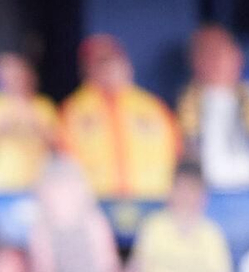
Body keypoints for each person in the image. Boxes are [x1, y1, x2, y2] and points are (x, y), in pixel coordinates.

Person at [58, 34, 179, 203]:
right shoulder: (73, 111)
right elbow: (63, 162)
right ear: (86, 68)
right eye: (99, 61)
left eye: (111, 59)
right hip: (94, 205)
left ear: (125, 62)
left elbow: (177, 153)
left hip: (151, 202)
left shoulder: (154, 108)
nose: (108, 67)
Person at [177, 25, 249, 193]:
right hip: (210, 196)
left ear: (237, 56)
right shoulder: (187, 104)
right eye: (206, 52)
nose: (216, 59)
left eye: (221, 51)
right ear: (194, 62)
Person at [130, 163, 234, 272]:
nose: (186, 196)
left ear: (203, 196)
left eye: (192, 190)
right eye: (182, 188)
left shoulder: (211, 234)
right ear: (171, 191)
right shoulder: (154, 227)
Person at [26, 158, 120, 272]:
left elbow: (109, 266)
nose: (61, 196)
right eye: (56, 191)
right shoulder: (41, 229)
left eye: (65, 189)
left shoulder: (94, 221)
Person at [0, 52, 57, 195]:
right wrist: (2, 126)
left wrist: (36, 125)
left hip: (37, 174)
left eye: (16, 75)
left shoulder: (43, 105)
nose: (12, 80)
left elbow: (55, 144)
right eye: (5, 76)